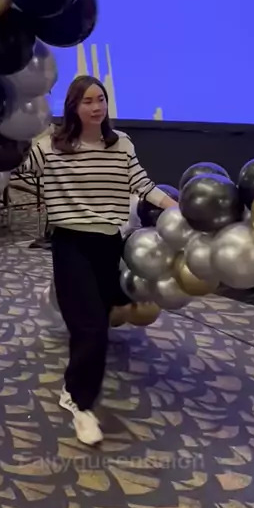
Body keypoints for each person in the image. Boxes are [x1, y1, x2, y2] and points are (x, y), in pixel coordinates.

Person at [25, 76, 177, 445]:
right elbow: (17, 169)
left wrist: (175, 208)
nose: (96, 107)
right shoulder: (50, 147)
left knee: (104, 312)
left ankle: (76, 383)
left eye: (101, 100)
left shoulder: (121, 143)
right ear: (73, 107)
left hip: (109, 243)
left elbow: (142, 184)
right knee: (91, 327)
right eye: (87, 101)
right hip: (70, 244)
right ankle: (80, 402)